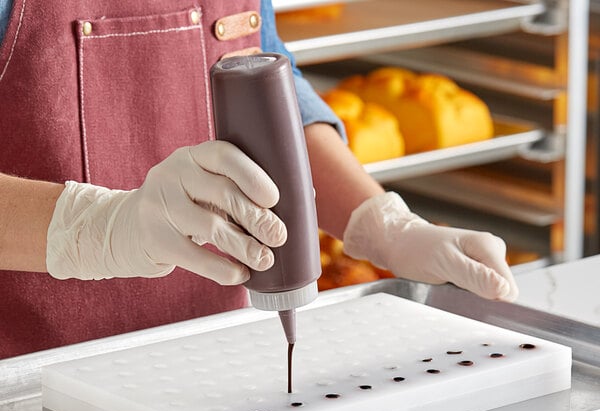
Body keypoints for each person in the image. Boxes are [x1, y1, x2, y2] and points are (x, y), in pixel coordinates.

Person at [0, 0, 518, 360]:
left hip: (222, 356)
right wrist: (100, 228)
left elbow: (267, 79)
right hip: (33, 387)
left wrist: (381, 224)